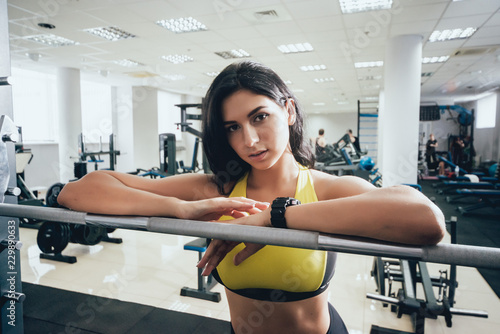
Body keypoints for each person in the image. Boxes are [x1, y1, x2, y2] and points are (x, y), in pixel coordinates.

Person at [58, 61, 445, 334]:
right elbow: (80, 192)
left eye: (260, 117)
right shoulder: (218, 190)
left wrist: (273, 218)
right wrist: (181, 209)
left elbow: (426, 221)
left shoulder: (326, 190)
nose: (249, 140)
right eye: (232, 127)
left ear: (288, 111)